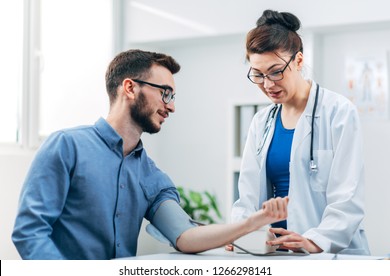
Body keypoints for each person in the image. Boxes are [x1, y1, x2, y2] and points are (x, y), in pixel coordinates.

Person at [12, 49, 289, 260]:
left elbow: (185, 236)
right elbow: (30, 232)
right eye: (165, 93)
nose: (171, 107)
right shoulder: (66, 146)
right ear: (130, 88)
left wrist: (252, 222)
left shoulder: (152, 176)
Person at [229, 10, 370, 255]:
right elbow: (248, 196)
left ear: (299, 61)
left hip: (329, 254)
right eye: (258, 75)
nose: (268, 84)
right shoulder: (261, 122)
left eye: (275, 71)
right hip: (274, 253)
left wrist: (315, 241)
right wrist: (240, 233)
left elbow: (347, 198)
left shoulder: (338, 112)